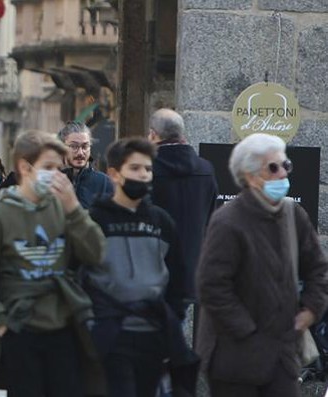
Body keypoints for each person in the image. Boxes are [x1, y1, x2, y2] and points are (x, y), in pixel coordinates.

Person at [0, 131, 106, 397]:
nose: (57, 174)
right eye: (48, 167)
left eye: (59, 168)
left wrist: (75, 209)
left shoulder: (62, 208)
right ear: (25, 166)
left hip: (62, 329)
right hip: (19, 330)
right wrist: (2, 325)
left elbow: (96, 253)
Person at [196, 133, 328, 397]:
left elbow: (317, 268)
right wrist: (250, 330)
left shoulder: (294, 215)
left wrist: (311, 310)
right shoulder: (227, 222)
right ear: (250, 175)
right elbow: (212, 286)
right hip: (234, 358)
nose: (282, 173)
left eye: (285, 165)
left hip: (281, 355)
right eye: (273, 167)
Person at [85, 138, 194, 397]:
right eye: (135, 168)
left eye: (147, 169)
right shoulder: (94, 221)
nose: (143, 175)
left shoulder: (161, 221)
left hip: (153, 333)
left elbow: (178, 277)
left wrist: (172, 316)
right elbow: (77, 275)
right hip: (110, 333)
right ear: (114, 174)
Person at [148, 109, 218, 305]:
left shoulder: (145, 170)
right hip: (191, 269)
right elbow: (211, 219)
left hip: (151, 270)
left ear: (153, 134)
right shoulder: (205, 170)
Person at [59, 121, 113, 209]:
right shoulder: (56, 180)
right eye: (74, 146)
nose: (80, 153)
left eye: (85, 146)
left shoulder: (104, 182)